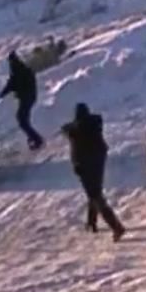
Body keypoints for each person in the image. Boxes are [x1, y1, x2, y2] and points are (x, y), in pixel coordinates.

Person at [62, 103, 126, 241]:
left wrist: (76, 165)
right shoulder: (95, 124)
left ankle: (116, 227)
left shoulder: (75, 131)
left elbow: (71, 137)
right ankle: (92, 222)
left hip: (85, 165)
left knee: (95, 195)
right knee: (94, 192)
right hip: (99, 161)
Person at [0, 51, 44, 150]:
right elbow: (12, 83)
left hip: (27, 98)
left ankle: (37, 139)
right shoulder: (20, 68)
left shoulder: (18, 70)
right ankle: (33, 138)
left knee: (22, 119)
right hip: (29, 97)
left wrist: (3, 93)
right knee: (23, 119)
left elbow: (13, 84)